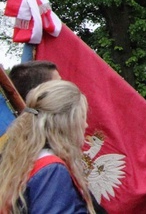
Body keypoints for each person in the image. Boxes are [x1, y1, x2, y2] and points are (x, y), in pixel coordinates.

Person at [0, 80, 95, 213]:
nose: (85, 125)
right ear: (68, 123)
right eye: (82, 117)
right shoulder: (52, 170)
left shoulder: (22, 160)